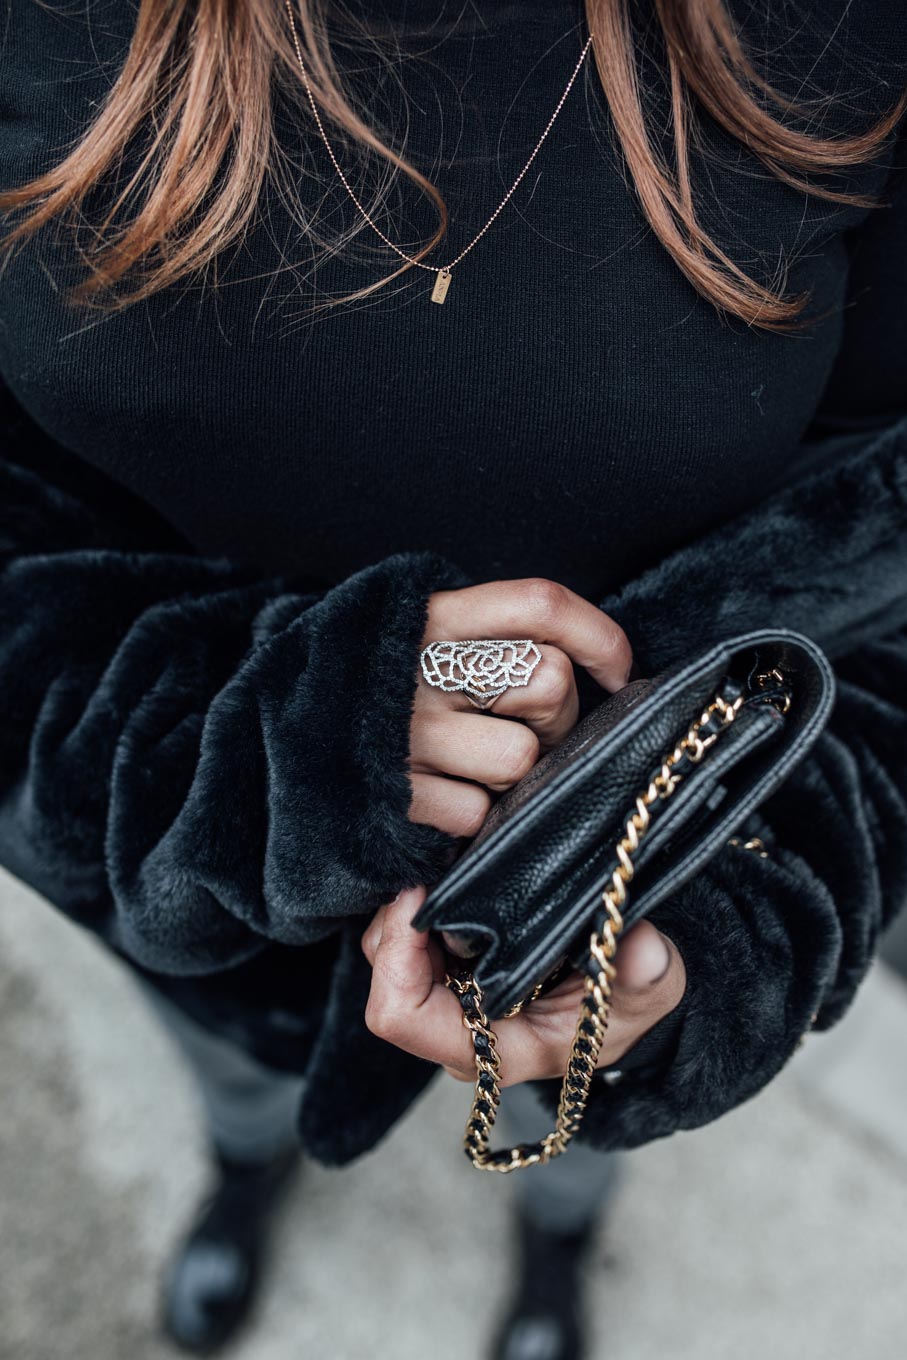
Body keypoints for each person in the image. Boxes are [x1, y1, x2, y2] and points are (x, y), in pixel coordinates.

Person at [1, 2, 906, 1358]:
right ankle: (243, 1166)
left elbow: (881, 541)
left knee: (579, 1110)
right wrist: (273, 748)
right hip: (186, 894)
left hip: (616, 904)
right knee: (233, 1073)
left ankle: (558, 1234)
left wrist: (723, 954)